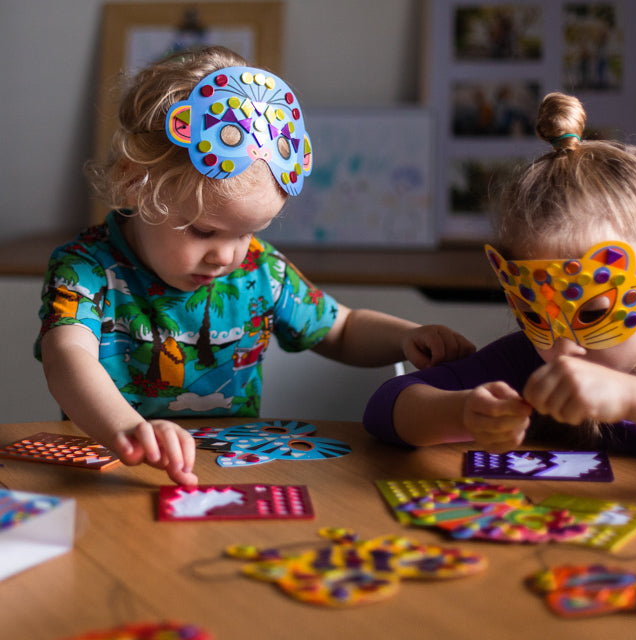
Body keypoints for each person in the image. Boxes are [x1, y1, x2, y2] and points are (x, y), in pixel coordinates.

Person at [35, 46, 475, 486]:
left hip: (218, 474)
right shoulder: (86, 269)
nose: (226, 255)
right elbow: (67, 358)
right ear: (137, 185)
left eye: (247, 233)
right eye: (203, 232)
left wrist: (407, 337)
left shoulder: (259, 270)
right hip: (107, 470)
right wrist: (128, 429)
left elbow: (342, 328)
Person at [364, 92, 636, 504]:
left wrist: (632, 398)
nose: (562, 348)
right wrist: (462, 413)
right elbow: (385, 407)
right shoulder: (528, 364)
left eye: (592, 312)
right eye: (532, 314)